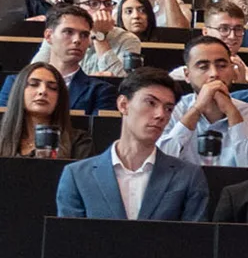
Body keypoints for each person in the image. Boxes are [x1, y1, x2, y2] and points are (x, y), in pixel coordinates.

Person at [55, 69, 210, 220]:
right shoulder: (78, 176)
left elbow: (192, 241)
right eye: (150, 103)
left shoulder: (188, 176)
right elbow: (70, 240)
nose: (161, 115)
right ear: (123, 105)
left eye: (168, 108)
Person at [156, 36, 248, 168]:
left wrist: (232, 113)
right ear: (187, 75)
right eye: (203, 67)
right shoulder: (170, 111)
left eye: (222, 66)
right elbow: (159, 162)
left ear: (233, 71)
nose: (214, 74)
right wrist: (196, 109)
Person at [2, 6, 116, 114]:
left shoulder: (101, 91)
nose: (77, 40)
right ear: (48, 36)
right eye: (68, 32)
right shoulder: (15, 83)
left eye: (84, 35)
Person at [0, 62, 90, 160]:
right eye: (34, 84)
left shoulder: (78, 141)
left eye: (52, 88)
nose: (43, 91)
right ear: (19, 91)